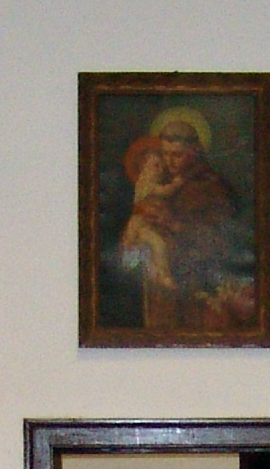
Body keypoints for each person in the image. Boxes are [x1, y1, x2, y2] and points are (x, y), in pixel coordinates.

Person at [108, 105, 258, 332]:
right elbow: (130, 252)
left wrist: (174, 224)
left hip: (197, 288)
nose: (169, 162)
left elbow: (224, 240)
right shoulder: (157, 182)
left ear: (195, 151)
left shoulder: (212, 187)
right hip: (159, 288)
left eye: (176, 155)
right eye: (164, 154)